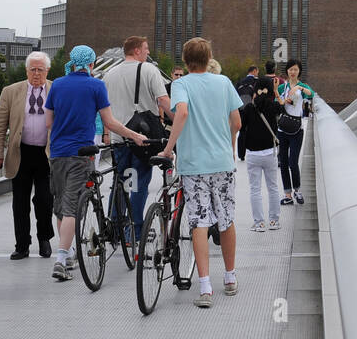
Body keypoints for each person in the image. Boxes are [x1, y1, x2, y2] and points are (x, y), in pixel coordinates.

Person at [45, 45, 148, 282]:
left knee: (61, 204)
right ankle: (61, 258)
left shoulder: (58, 84)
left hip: (58, 152)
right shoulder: (96, 85)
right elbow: (109, 122)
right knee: (72, 206)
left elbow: (49, 121)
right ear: (91, 64)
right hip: (82, 153)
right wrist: (134, 135)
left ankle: (69, 252)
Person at [160, 37, 243, 304]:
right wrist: (228, 146)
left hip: (194, 165)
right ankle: (230, 277)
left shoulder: (181, 84)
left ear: (185, 60)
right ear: (209, 59)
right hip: (222, 163)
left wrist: (169, 148)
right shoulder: (224, 82)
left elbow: (181, 113)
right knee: (226, 219)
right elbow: (237, 121)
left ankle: (205, 287)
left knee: (199, 221)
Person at [102, 36, 170, 235]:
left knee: (121, 181)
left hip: (118, 138)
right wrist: (182, 119)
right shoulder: (149, 70)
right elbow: (163, 101)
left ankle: (115, 229)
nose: (148, 53)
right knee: (139, 184)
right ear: (137, 51)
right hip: (142, 138)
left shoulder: (109, 74)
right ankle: (135, 231)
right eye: (146, 49)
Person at [0, 50, 55, 260]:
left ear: (47, 71)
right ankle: (22, 244)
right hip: (20, 152)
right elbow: (0, 125)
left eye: (40, 70)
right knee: (20, 202)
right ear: (26, 70)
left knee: (44, 200)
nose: (36, 73)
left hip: (46, 153)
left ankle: (44, 238)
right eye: (33, 69)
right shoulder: (11, 91)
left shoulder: (55, 89)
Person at [237, 75, 282, 233]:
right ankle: (274, 221)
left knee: (255, 189)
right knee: (273, 188)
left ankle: (259, 223)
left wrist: (240, 151)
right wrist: (276, 92)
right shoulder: (273, 107)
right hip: (270, 153)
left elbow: (242, 130)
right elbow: (282, 108)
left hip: (253, 154)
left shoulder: (249, 108)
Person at [275, 59, 312, 206]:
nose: (293, 72)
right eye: (290, 69)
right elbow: (277, 102)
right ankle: (288, 194)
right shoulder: (282, 87)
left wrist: (299, 89)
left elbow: (312, 94)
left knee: (293, 162)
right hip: (282, 128)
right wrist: (281, 98)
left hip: (297, 128)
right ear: (287, 71)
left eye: (295, 69)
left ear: (299, 71)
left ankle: (297, 190)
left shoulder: (302, 86)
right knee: (283, 162)